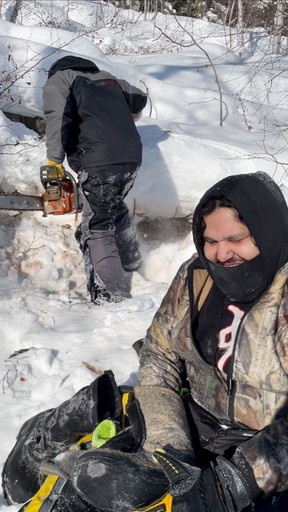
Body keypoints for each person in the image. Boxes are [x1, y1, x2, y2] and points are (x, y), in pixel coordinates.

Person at [2, 171, 288, 512]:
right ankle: (46, 439)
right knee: (95, 489)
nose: (221, 254)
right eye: (210, 240)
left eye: (235, 239)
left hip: (261, 456)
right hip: (187, 420)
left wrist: (235, 482)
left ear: (267, 232)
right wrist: (168, 443)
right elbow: (159, 352)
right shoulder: (197, 275)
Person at [43, 55, 147, 303]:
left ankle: (111, 295)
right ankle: (132, 258)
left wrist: (53, 161)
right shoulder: (108, 79)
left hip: (99, 159)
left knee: (97, 225)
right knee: (111, 206)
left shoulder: (60, 80)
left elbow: (56, 120)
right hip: (131, 157)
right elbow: (139, 98)